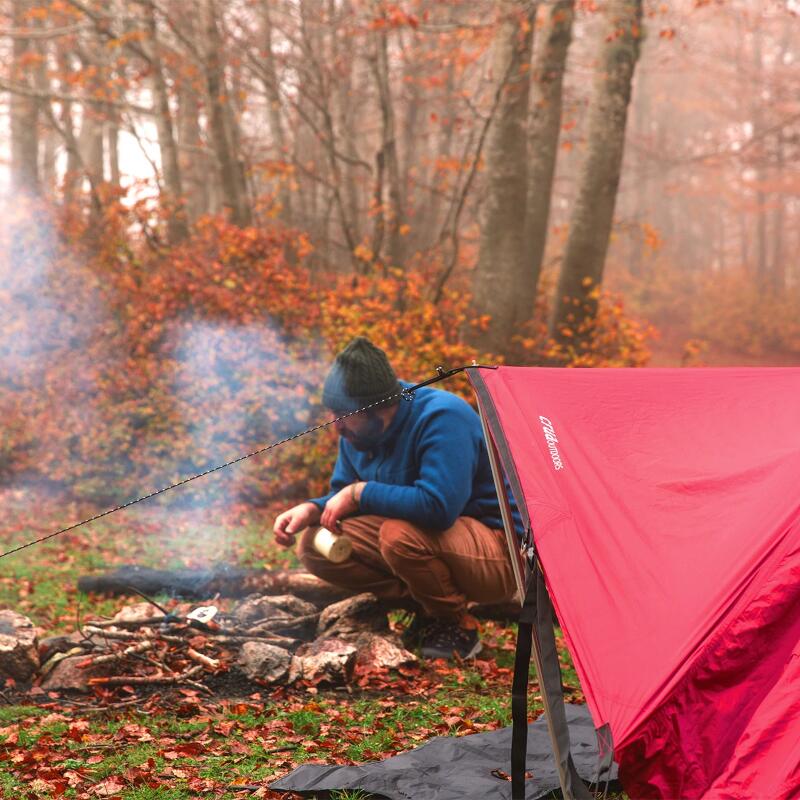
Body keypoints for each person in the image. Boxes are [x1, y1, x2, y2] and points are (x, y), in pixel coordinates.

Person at [272, 337, 516, 659]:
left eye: (344, 415)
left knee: (399, 536)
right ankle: (429, 607)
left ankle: (457, 624)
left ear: (377, 408)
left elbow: (439, 507)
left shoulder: (443, 417)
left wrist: (360, 493)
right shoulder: (358, 433)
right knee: (316, 544)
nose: (337, 427)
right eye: (333, 415)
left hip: (500, 550)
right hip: (438, 545)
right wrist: (312, 509)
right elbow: (342, 494)